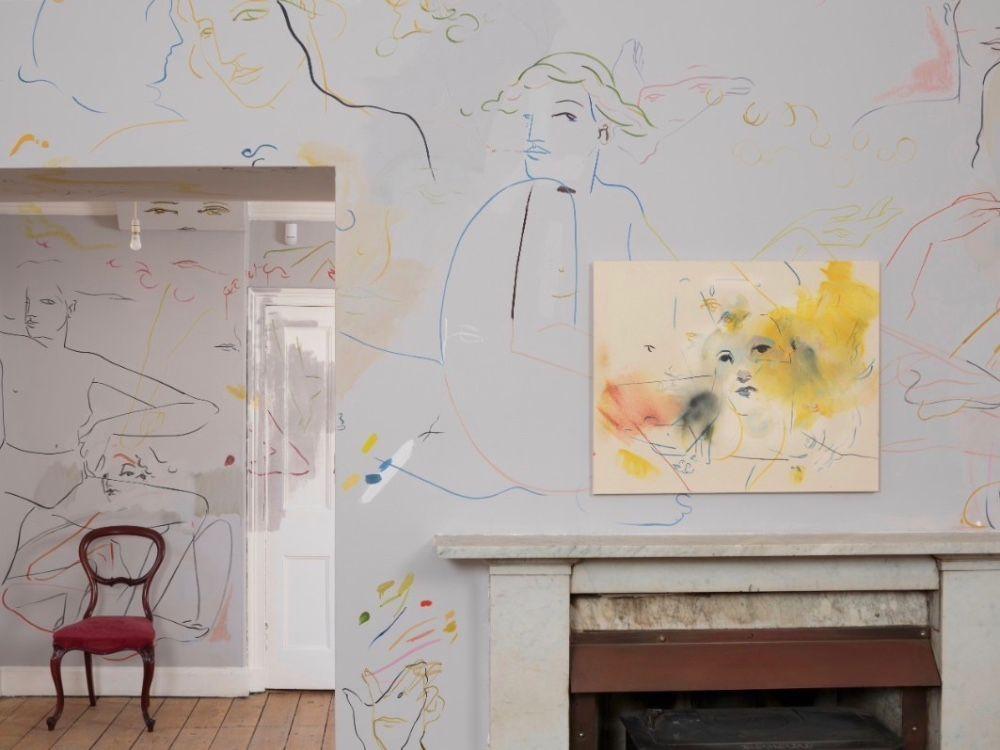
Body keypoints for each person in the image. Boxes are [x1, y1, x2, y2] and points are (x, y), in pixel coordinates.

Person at [440, 52, 674, 492]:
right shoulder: (533, 205)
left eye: (563, 116)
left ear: (602, 130)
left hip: (591, 417)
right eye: (529, 119)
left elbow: (656, 304)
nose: (537, 134)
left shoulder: (620, 206)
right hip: (520, 418)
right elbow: (534, 333)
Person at [0, 272, 229, 640]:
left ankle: (180, 621)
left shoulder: (87, 365)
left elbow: (200, 409)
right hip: (14, 481)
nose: (32, 312)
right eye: (28, 302)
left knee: (195, 508)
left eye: (46, 302)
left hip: (73, 485)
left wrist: (111, 424)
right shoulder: (10, 350)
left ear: (70, 308)